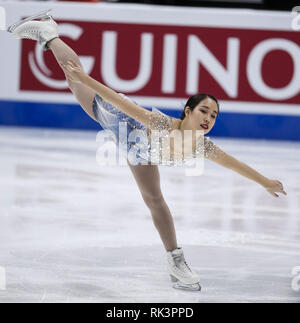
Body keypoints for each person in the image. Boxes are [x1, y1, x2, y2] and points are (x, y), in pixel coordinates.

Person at [7, 10, 287, 292]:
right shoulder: (163, 125)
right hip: (121, 119)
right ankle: (48, 31)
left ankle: (175, 261)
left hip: (139, 151)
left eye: (213, 116)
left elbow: (233, 163)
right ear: (188, 111)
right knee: (76, 81)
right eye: (204, 111)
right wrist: (85, 79)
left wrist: (265, 182)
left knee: (154, 199)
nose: (208, 119)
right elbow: (122, 103)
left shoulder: (202, 145)